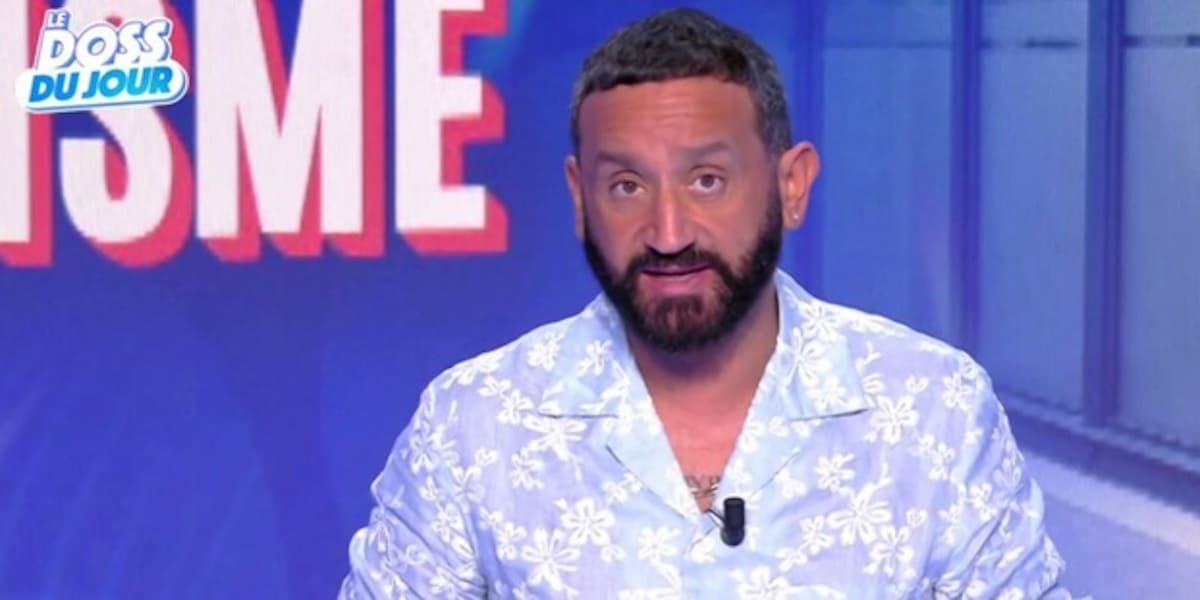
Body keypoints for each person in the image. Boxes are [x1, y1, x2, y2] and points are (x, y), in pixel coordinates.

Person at [339, 8, 1071, 599]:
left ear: (791, 186)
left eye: (707, 181)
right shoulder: (474, 427)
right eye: (626, 186)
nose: (668, 233)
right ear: (579, 199)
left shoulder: (932, 410)